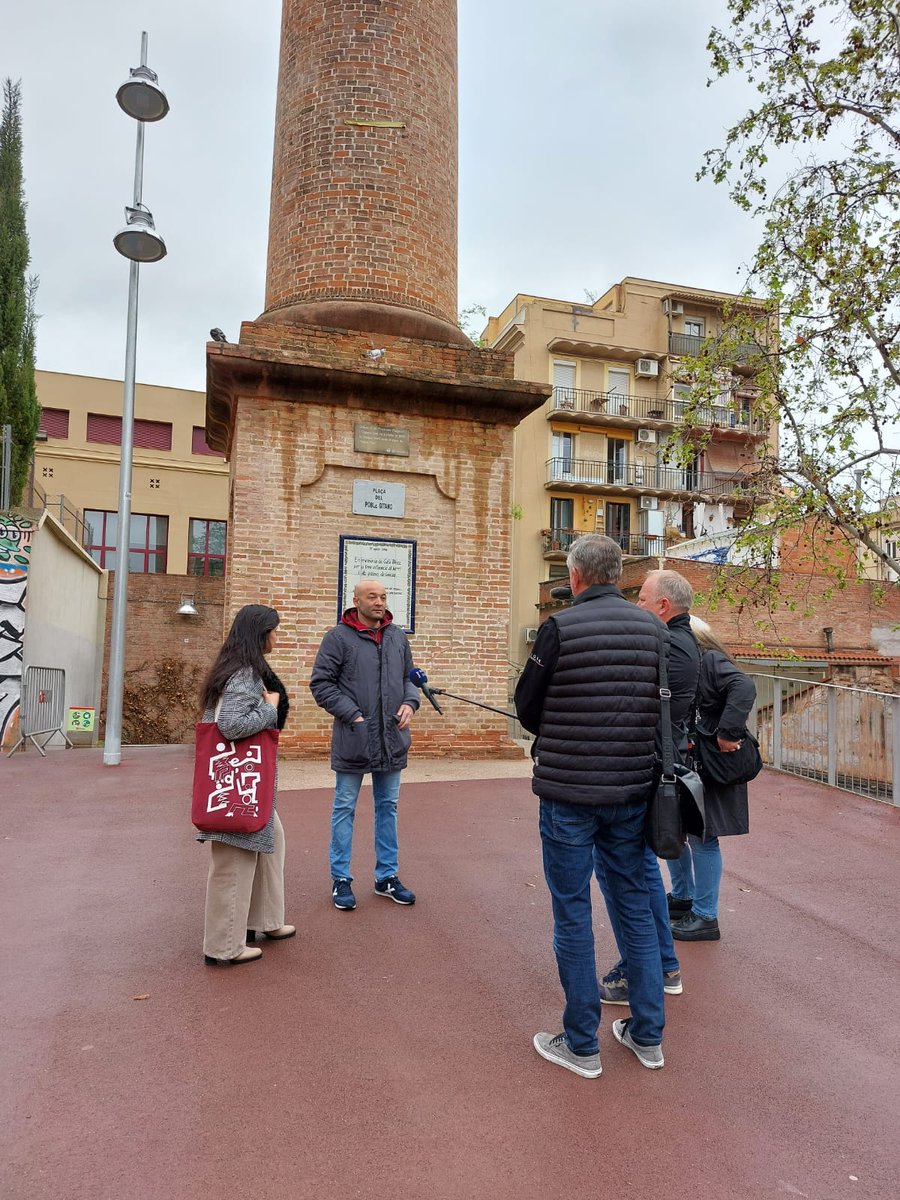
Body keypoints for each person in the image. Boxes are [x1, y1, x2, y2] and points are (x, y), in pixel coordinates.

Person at [515, 534, 667, 1078]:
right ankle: (647, 1034)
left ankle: (581, 1042)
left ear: (576, 576)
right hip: (631, 791)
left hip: (568, 794)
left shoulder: (558, 628)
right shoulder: (653, 627)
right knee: (633, 906)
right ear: (618, 576)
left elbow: (526, 706)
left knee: (572, 910)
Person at [595, 568, 702, 1006]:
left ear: (662, 606)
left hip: (646, 773)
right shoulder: (679, 642)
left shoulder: (669, 645)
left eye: (640, 599)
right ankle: (662, 964)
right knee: (639, 874)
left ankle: (644, 972)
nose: (634, 606)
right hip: (654, 769)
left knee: (627, 877)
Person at [309, 578, 420, 911]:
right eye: (372, 596)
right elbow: (321, 684)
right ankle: (341, 878)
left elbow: (409, 677)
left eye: (384, 596)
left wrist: (410, 703)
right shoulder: (338, 638)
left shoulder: (397, 636)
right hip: (354, 738)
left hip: (391, 738)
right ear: (355, 600)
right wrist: (354, 716)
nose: (379, 601)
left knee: (389, 806)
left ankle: (387, 877)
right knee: (344, 808)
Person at [198, 604, 294, 966]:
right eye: (274, 630)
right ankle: (224, 946)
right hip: (237, 784)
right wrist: (270, 707)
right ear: (260, 633)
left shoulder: (239, 669)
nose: (277, 637)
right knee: (234, 859)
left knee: (272, 841)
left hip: (245, 782)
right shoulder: (243, 675)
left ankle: (266, 920)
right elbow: (232, 726)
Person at [668, 615, 757, 941]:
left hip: (710, 765)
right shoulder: (696, 660)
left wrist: (727, 732)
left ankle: (705, 916)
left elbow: (744, 685)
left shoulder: (709, 660)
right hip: (691, 762)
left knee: (703, 837)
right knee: (674, 830)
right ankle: (683, 898)